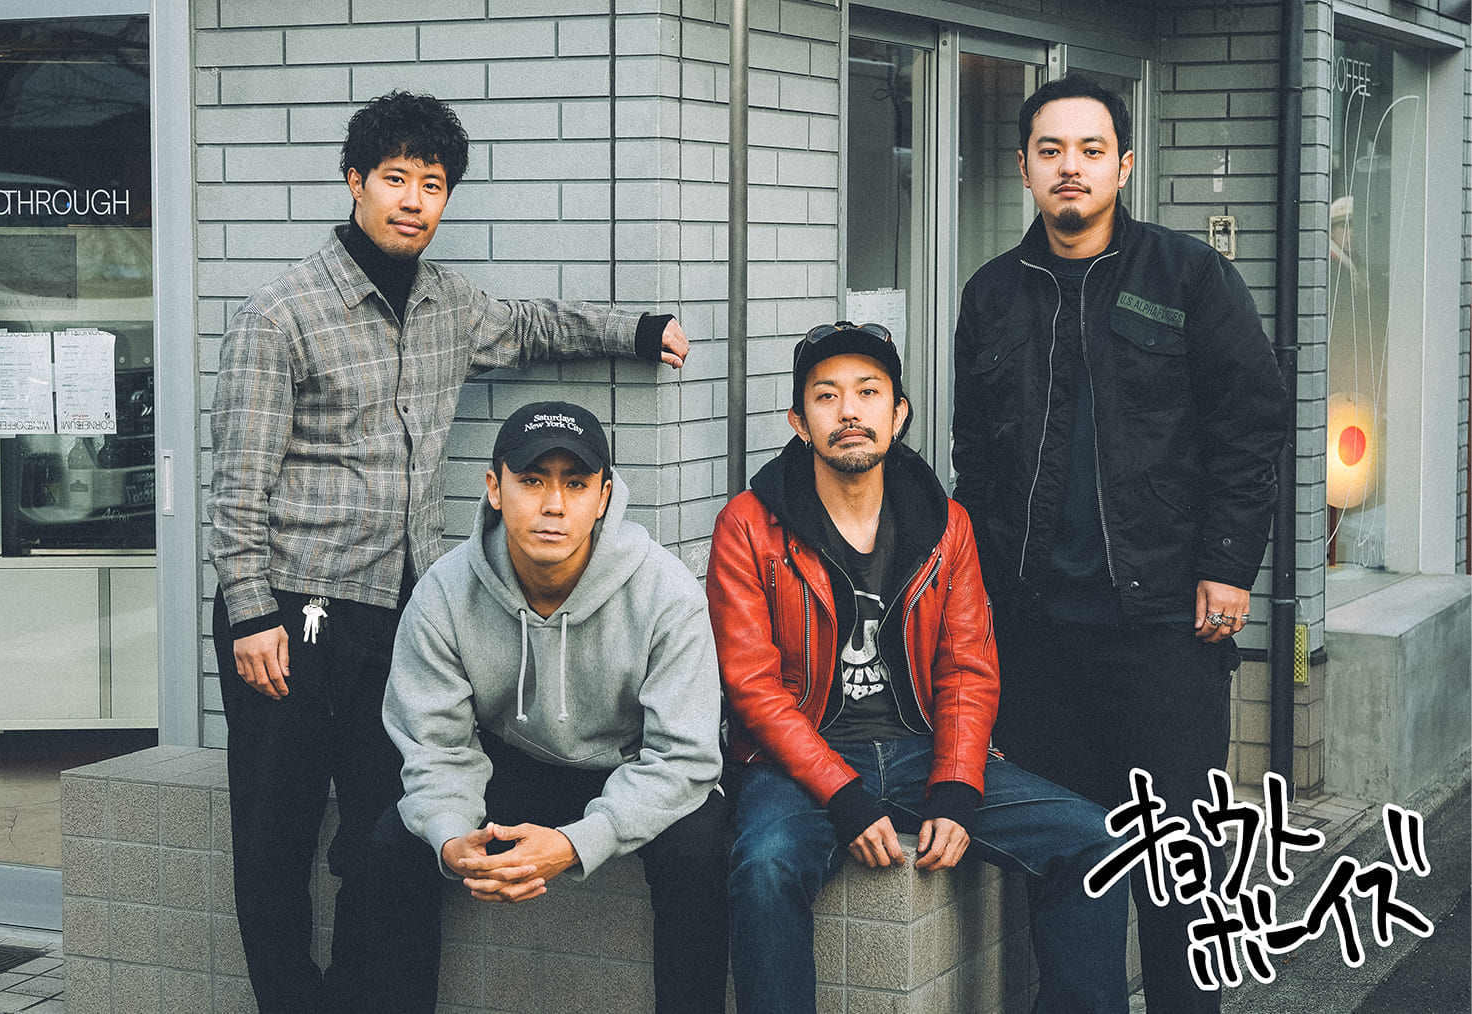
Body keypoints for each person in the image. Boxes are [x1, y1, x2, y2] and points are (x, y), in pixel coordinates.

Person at [206, 92, 690, 1014]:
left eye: (431, 185)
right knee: (274, 844)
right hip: (290, 616)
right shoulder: (281, 314)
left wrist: (636, 332)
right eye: (396, 179)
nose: (413, 200)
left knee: (388, 835)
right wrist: (249, 613)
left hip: (396, 618)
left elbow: (536, 327)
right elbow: (236, 484)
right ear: (355, 181)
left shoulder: (448, 305)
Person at [950, 75, 1287, 1014]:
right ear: (1024, 168)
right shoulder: (991, 295)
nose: (1071, 167)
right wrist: (977, 604)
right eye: (1051, 151)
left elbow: (1250, 427)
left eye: (1091, 150)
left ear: (1124, 165)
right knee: (1072, 861)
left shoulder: (1189, 278)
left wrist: (1227, 565)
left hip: (1164, 629)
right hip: (1037, 634)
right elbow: (976, 462)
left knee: (1180, 864)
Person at [707, 322, 1129, 1014]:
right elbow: (753, 687)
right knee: (764, 866)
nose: (849, 411)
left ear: (898, 413)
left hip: (919, 749)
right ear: (799, 422)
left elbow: (967, 667)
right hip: (798, 761)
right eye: (826, 396)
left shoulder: (945, 524)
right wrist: (842, 793)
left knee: (1098, 841)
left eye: (869, 392)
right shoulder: (749, 526)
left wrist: (957, 786)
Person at [369, 401, 728, 1013]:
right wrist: (450, 835)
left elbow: (685, 758)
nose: (554, 504)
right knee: (393, 845)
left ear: (605, 496)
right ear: (495, 488)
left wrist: (576, 843)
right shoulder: (445, 593)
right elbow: (436, 744)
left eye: (576, 484)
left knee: (700, 850)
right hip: (513, 761)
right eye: (532, 481)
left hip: (631, 767)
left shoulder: (666, 593)